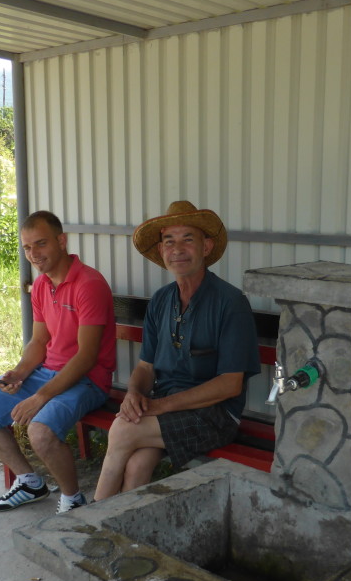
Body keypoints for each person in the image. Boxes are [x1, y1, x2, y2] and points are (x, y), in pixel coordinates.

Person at [93, 200, 260, 501]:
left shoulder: (230, 303)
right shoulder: (161, 300)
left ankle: (88, 523)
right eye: (169, 241)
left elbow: (230, 383)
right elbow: (145, 367)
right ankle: (126, 533)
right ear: (161, 251)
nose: (177, 249)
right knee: (136, 463)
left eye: (188, 239)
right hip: (166, 406)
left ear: (206, 247)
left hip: (216, 415)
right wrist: (133, 394)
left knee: (121, 431)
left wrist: (158, 407)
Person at [0, 210, 116, 513]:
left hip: (87, 380)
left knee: (40, 430)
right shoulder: (42, 285)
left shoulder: (89, 284)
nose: (34, 254)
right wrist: (20, 373)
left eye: (41, 244)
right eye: (27, 247)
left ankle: (73, 499)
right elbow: (38, 342)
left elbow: (86, 357)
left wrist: (41, 397)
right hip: (46, 373)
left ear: (61, 241)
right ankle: (30, 482)